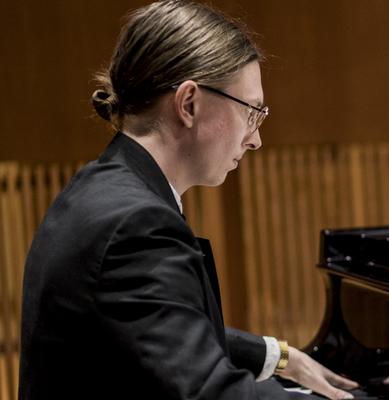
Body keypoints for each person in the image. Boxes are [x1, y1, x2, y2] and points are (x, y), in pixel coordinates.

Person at [19, 1, 357, 399]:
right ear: (189, 103)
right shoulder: (137, 224)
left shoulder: (98, 188)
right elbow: (209, 392)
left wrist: (276, 356)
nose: (255, 139)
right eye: (251, 113)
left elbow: (150, 327)